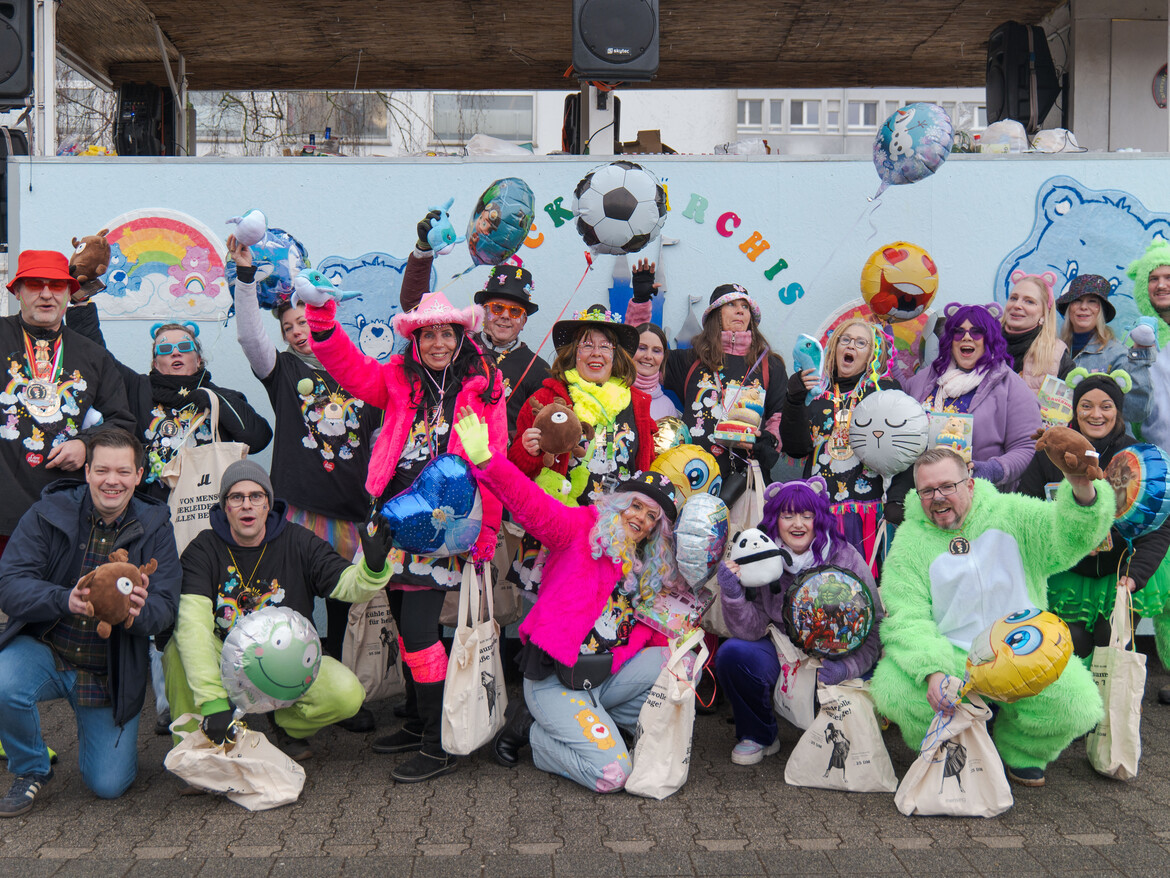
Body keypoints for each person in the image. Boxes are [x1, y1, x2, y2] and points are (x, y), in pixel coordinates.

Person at [303, 288, 506, 782]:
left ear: (461, 337)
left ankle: (439, 743)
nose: (438, 343)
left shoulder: (485, 388)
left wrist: (488, 531)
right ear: (414, 340)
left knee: (419, 633)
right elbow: (349, 368)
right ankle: (416, 722)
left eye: (447, 334)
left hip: (444, 530)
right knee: (400, 622)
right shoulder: (398, 380)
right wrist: (322, 320)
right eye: (428, 334)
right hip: (393, 521)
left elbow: (496, 459)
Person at [454, 407, 680, 793]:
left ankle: (596, 723)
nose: (641, 518)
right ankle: (536, 734)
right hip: (556, 681)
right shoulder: (580, 528)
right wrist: (488, 461)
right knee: (614, 774)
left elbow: (653, 629)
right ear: (620, 504)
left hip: (603, 680)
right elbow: (532, 505)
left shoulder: (647, 568)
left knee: (677, 663)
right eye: (636, 505)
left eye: (651, 516)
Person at [870, 446, 1114, 787]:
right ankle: (952, 750)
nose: (937, 498)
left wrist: (1081, 488)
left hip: (1024, 650)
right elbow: (906, 617)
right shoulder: (910, 541)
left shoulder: (1012, 513)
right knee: (893, 687)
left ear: (969, 485)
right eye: (927, 491)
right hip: (953, 656)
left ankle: (1020, 751)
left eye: (947, 486)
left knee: (1078, 704)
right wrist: (933, 670)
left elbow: (1069, 537)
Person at [230, 236, 382, 730]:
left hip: (352, 512)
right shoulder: (282, 370)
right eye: (289, 327)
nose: (298, 332)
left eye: (303, 322)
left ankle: (335, 694)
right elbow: (251, 339)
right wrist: (246, 280)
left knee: (342, 607)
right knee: (292, 606)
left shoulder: (362, 374)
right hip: (297, 510)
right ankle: (279, 695)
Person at [0, 428, 181, 816]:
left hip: (107, 673)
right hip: (48, 651)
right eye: (102, 470)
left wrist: (137, 614)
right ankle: (31, 767)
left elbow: (166, 607)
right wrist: (63, 599)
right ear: (87, 472)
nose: (112, 481)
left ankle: (98, 737)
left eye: (123, 471)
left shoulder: (156, 526)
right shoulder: (49, 511)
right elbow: (9, 584)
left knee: (109, 785)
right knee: (2, 681)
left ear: (138, 475)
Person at [164, 460, 392, 763]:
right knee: (177, 649)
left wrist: (371, 569)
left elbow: (346, 586)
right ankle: (196, 750)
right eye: (236, 497)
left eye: (256, 496)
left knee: (347, 694)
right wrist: (212, 702)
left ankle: (287, 724)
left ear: (268, 504)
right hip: (224, 656)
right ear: (225, 507)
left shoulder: (298, 540)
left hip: (287, 660)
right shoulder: (203, 549)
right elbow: (192, 626)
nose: (247, 505)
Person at [714, 477, 882, 765]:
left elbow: (874, 626)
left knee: (862, 688)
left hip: (834, 657)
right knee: (733, 654)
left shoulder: (844, 556)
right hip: (784, 652)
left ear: (819, 518)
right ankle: (758, 734)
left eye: (807, 515)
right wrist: (733, 595)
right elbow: (750, 630)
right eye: (787, 515)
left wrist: (847, 667)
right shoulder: (762, 558)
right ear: (774, 520)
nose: (798, 524)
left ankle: (830, 733)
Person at [1018, 370, 1170, 680]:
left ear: (1118, 411)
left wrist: (1135, 576)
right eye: (1086, 405)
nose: (1096, 414)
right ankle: (1075, 703)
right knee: (1072, 643)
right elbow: (1026, 512)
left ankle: (1113, 704)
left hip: (1120, 570)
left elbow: (1159, 525)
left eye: (1106, 406)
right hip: (1067, 573)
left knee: (1110, 640)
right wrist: (1061, 541)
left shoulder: (1136, 457)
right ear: (1075, 410)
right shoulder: (1050, 453)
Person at [507, 305, 656, 591]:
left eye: (605, 346)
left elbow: (644, 466)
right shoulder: (547, 398)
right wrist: (529, 451)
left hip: (617, 536)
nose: (596, 353)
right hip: (560, 530)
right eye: (587, 345)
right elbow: (516, 470)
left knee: (603, 612)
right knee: (554, 613)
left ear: (616, 355)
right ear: (573, 353)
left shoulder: (636, 403)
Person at [0, 250, 135, 554]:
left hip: (65, 516)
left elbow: (122, 423)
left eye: (57, 285)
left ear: (69, 293)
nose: (46, 294)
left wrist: (86, 445)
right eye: (35, 284)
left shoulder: (94, 355)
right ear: (17, 291)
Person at [65, 303, 271, 499]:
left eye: (185, 346)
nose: (175, 352)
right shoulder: (137, 388)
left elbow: (258, 439)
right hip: (151, 508)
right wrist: (81, 302)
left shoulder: (221, 397)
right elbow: (97, 355)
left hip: (207, 507)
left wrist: (216, 399)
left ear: (198, 359)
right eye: (164, 349)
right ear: (155, 363)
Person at [626, 273, 784, 481]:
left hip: (744, 481)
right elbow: (639, 356)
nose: (740, 310)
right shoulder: (690, 360)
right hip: (690, 480)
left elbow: (778, 420)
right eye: (731, 304)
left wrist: (767, 442)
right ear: (715, 315)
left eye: (745, 306)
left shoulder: (770, 365)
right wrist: (640, 302)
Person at [401, 214, 549, 434]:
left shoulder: (539, 371)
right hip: (447, 447)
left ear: (524, 321)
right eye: (497, 307)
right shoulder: (457, 347)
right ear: (483, 311)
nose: (505, 316)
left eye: (515, 311)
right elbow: (416, 308)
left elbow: (541, 433)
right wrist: (423, 251)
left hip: (500, 455)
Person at [781, 318, 910, 568]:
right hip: (819, 516)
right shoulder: (815, 393)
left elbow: (908, 449)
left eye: (861, 343)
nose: (851, 345)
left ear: (872, 354)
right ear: (835, 347)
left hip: (868, 515)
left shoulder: (884, 392)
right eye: (846, 340)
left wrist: (897, 499)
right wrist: (794, 400)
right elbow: (796, 449)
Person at [904, 304, 1041, 490]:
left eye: (977, 332)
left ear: (989, 338)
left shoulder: (1011, 386)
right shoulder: (929, 376)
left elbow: (1027, 447)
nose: (966, 337)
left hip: (980, 495)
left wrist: (991, 470)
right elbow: (899, 406)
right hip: (924, 492)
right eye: (959, 332)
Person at [1056, 273, 1153, 425]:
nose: (1083, 307)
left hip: (1104, 438)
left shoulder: (1117, 354)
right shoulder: (1055, 350)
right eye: (1077, 300)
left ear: (1101, 310)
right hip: (1062, 436)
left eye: (1092, 301)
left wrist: (1139, 358)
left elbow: (1136, 411)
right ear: (1069, 308)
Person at [1000, 272, 1073, 394]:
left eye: (1029, 301)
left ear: (1044, 313)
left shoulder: (1057, 355)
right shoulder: (984, 344)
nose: (1017, 305)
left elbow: (1066, 403)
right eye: (1013, 298)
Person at [1127, 241, 1170, 447]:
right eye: (1153, 278)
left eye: (1168, 277)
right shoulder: (1135, 339)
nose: (1161, 285)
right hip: (1156, 457)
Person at [633, 321, 680, 420]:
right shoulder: (613, 394)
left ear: (663, 357)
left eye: (656, 351)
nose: (648, 356)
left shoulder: (668, 407)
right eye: (642, 348)